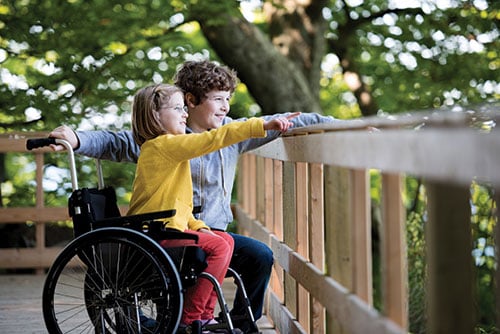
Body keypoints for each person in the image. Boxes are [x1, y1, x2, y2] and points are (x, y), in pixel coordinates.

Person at [49, 60, 338, 333]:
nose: (225, 108)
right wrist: (76, 138)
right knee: (173, 313)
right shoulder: (162, 138)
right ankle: (178, 321)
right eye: (217, 99)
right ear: (191, 100)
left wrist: (336, 125)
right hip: (168, 239)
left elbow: (285, 121)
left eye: (228, 99)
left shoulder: (231, 134)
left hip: (205, 233)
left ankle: (238, 323)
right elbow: (112, 141)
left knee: (260, 255)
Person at [126, 83, 296, 332]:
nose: (184, 113)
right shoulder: (161, 146)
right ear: (155, 115)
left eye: (184, 108)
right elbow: (213, 139)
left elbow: (179, 207)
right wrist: (259, 126)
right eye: (177, 108)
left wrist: (201, 226)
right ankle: (191, 315)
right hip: (154, 235)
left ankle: (205, 314)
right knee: (218, 245)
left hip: (169, 229)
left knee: (223, 240)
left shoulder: (170, 150)